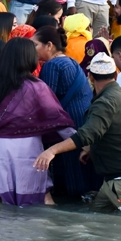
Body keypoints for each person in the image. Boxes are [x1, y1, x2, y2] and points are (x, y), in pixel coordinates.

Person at [34, 53, 121, 216]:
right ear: (115, 75)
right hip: (119, 178)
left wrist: (51, 151)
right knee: (95, 219)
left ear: (89, 77)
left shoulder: (104, 102)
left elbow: (86, 135)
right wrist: (92, 149)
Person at [0, 38, 75, 206]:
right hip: (28, 147)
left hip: (0, 148)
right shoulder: (37, 86)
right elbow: (57, 119)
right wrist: (79, 140)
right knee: (38, 197)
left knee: (5, 200)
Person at [31, 25, 98, 198]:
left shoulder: (52, 65)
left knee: (69, 174)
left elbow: (47, 100)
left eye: (35, 45)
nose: (33, 50)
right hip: (83, 121)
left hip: (67, 125)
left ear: (49, 45)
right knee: (80, 168)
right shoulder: (71, 61)